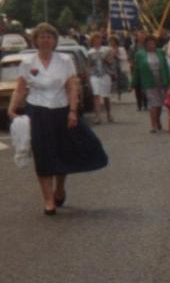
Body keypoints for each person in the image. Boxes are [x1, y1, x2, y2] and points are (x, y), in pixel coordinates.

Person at [6, 23, 108, 215]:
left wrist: (72, 111)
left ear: (54, 40)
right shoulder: (27, 63)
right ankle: (48, 200)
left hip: (61, 111)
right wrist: (11, 109)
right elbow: (20, 88)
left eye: (49, 37)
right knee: (43, 155)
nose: (46, 40)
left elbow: (71, 87)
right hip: (38, 111)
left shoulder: (65, 60)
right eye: (42, 36)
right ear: (35, 40)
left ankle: (59, 188)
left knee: (64, 151)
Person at [132, 35, 170, 133]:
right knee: (152, 103)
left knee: (159, 103)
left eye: (153, 43)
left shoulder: (160, 53)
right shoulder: (140, 55)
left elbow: (166, 67)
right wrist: (133, 83)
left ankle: (158, 120)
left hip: (161, 81)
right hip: (148, 81)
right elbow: (137, 70)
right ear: (145, 45)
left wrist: (169, 81)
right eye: (149, 43)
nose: (151, 45)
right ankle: (153, 125)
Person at [86, 33, 116, 124]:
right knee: (96, 94)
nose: (97, 41)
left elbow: (112, 62)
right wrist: (88, 75)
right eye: (95, 39)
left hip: (105, 74)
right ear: (92, 41)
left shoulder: (107, 50)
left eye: (98, 39)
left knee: (106, 95)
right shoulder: (89, 52)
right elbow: (88, 65)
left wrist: (106, 59)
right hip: (94, 75)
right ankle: (98, 116)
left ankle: (109, 114)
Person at [109, 35, 130, 103]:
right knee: (113, 81)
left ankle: (119, 96)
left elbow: (124, 57)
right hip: (112, 67)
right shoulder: (108, 49)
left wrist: (117, 56)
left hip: (120, 66)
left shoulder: (121, 49)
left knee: (120, 81)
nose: (112, 43)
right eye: (111, 41)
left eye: (113, 41)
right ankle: (113, 96)